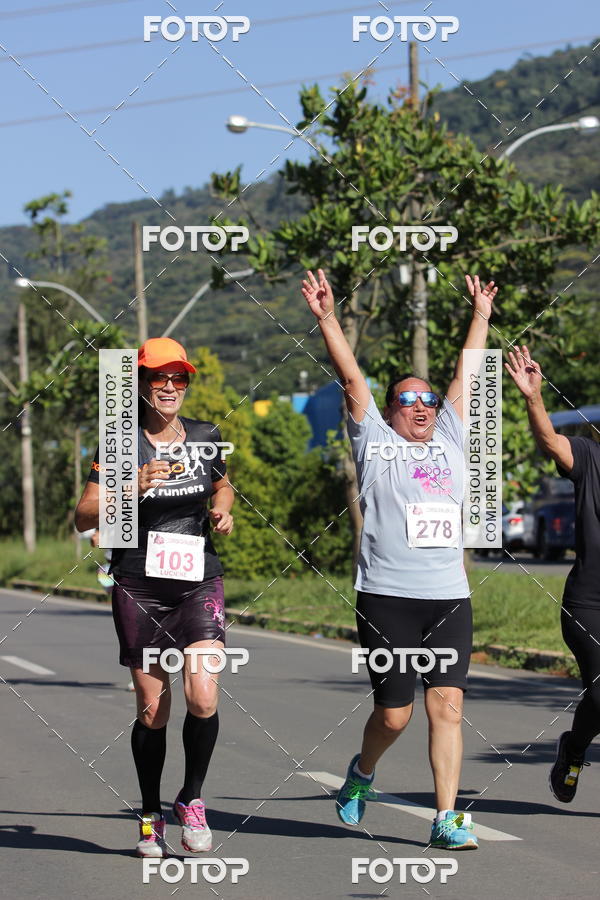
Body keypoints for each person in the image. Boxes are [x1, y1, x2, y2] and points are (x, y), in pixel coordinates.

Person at [301, 268, 498, 850]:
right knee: (395, 716)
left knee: (449, 710)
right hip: (387, 598)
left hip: (448, 598)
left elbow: (468, 371)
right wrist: (328, 319)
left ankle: (446, 819)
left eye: (428, 399)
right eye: (407, 399)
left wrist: (481, 313)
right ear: (387, 410)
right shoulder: (376, 441)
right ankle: (361, 775)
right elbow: (351, 376)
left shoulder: (453, 436)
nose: (421, 406)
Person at [75, 337, 234, 858]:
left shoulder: (207, 436)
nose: (170, 387)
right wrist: (133, 484)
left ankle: (191, 799)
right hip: (139, 583)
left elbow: (222, 485)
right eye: (159, 378)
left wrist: (222, 510)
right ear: (141, 385)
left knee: (204, 694)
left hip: (198, 580)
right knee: (152, 709)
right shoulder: (120, 444)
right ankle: (150, 814)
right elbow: (83, 516)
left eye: (179, 378)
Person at [505, 344, 597, 803]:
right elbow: (550, 441)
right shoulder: (590, 457)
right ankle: (575, 749)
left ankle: (573, 749)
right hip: (589, 605)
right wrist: (533, 398)